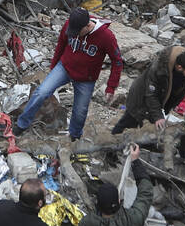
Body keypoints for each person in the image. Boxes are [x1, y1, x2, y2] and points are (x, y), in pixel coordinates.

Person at [15, 8, 123, 142]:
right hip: (64, 67)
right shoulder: (70, 25)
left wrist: (111, 87)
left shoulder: (106, 36)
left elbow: (117, 61)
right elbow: (61, 44)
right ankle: (22, 124)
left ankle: (74, 137)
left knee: (79, 112)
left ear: (87, 26)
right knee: (41, 92)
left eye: (77, 32)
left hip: (86, 78)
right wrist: (53, 67)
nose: (74, 33)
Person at [111, 46, 185, 133]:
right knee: (130, 121)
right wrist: (158, 117)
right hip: (140, 97)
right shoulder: (159, 69)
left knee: (152, 125)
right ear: (179, 67)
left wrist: (164, 111)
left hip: (161, 99)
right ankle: (111, 141)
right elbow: (151, 95)